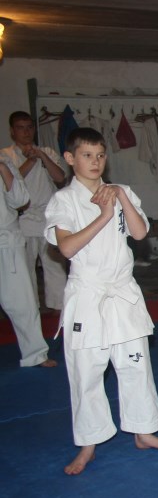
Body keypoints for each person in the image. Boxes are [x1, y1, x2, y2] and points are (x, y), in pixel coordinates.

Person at [45, 127, 158, 475]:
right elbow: (66, 248)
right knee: (87, 371)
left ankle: (143, 431)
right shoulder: (64, 200)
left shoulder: (121, 191)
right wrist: (104, 216)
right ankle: (88, 444)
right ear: (70, 158)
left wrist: (119, 198)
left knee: (136, 365)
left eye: (101, 155)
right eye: (87, 155)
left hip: (122, 292)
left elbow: (139, 232)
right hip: (88, 294)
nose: (96, 162)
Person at [3, 111, 68, 311]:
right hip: (22, 219)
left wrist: (41, 156)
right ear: (12, 131)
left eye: (29, 127)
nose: (26, 132)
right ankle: (30, 309)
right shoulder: (5, 155)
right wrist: (31, 161)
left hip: (48, 217)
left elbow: (60, 178)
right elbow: (11, 183)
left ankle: (60, 308)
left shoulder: (46, 151)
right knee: (26, 270)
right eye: (21, 128)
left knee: (55, 267)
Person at [0, 155, 57, 368]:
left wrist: (3, 168)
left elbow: (20, 200)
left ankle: (36, 354)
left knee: (22, 301)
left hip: (7, 242)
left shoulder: (5, 162)